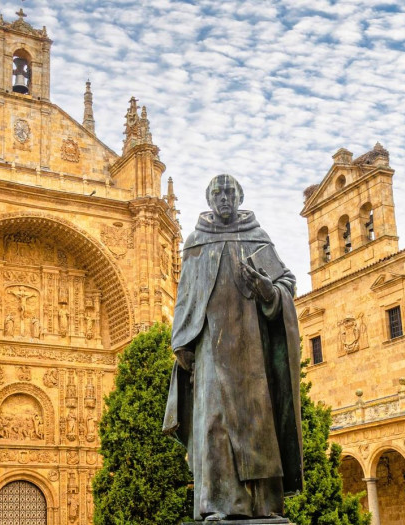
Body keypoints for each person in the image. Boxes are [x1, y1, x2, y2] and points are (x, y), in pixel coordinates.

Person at [163, 174, 303, 521]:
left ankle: (264, 506)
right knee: (215, 423)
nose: (224, 198)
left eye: (230, 192)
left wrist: (269, 291)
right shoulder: (196, 242)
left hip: (252, 346)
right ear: (209, 199)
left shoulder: (256, 237)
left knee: (259, 424)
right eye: (218, 193)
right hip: (210, 345)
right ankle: (218, 506)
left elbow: (287, 282)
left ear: (239, 196)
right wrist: (182, 343)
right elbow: (185, 297)